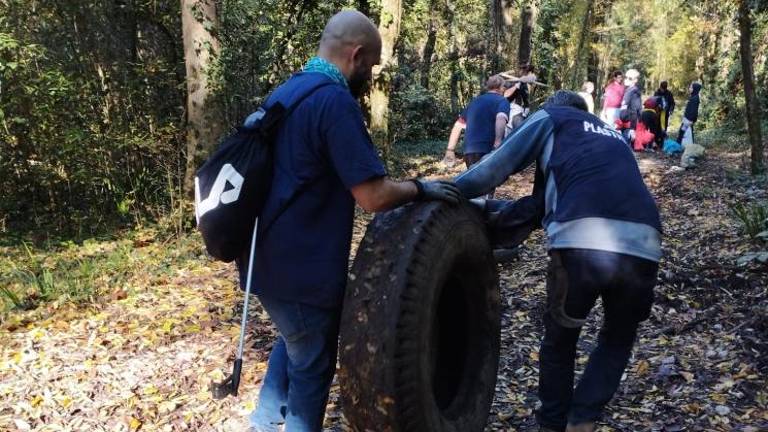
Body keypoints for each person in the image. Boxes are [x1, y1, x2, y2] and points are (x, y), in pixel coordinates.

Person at [242, 10, 460, 432]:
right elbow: (373, 196)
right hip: (302, 270)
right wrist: (420, 187)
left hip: (262, 259)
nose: (371, 75)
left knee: (295, 342)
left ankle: (264, 423)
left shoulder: (288, 91)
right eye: (372, 66)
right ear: (357, 55)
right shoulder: (334, 101)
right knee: (311, 366)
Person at [454, 90, 661, 432]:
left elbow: (495, 167)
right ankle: (583, 421)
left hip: (581, 244)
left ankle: (551, 425)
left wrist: (443, 191)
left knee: (561, 341)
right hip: (646, 245)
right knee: (617, 339)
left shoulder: (553, 118)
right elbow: (542, 204)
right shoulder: (615, 139)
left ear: (551, 107)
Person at [443, 75, 510, 168]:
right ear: (501, 88)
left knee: (474, 181)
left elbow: (458, 126)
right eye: (504, 87)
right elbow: (501, 118)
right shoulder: (502, 101)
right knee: (489, 181)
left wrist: (450, 150)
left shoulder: (474, 102)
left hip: (469, 151)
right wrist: (498, 142)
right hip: (489, 149)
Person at [504, 64, 537, 135]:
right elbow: (506, 95)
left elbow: (527, 101)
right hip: (513, 111)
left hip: (521, 112)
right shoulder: (516, 82)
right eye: (521, 70)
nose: (520, 72)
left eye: (522, 70)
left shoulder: (528, 83)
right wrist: (517, 85)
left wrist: (525, 113)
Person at [620, 69, 643, 144]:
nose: (626, 80)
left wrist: (632, 129)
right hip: (623, 124)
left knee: (626, 148)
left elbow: (635, 110)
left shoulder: (634, 92)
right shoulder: (628, 90)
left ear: (635, 80)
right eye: (625, 77)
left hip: (629, 126)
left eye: (630, 78)